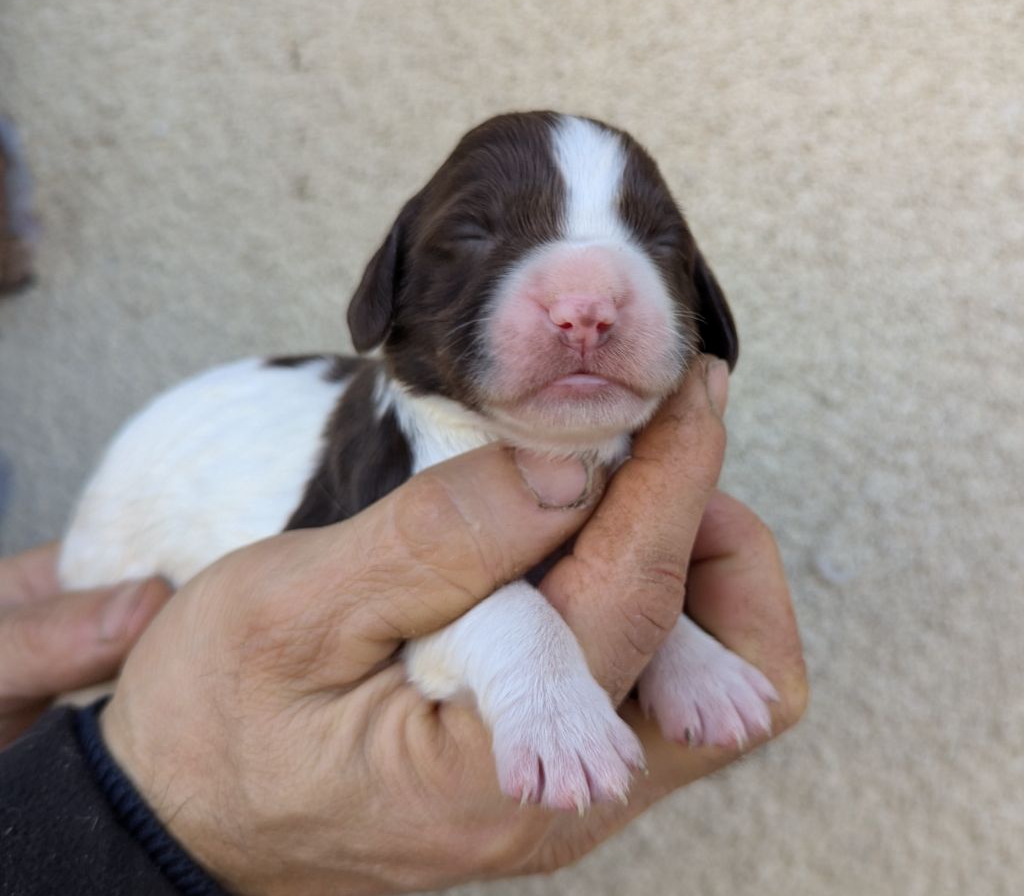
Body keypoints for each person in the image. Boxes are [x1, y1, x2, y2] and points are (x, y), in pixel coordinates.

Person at [0, 358, 806, 895]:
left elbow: (576, 578)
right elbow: (442, 625)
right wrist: (133, 811)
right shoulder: (398, 436)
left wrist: (668, 640)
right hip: (147, 613)